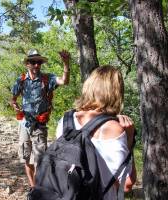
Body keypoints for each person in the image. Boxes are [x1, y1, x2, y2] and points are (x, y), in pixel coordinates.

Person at [56, 65, 136, 199]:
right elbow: (126, 184)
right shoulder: (113, 129)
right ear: (116, 92)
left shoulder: (66, 120)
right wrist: (129, 137)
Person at [11, 49, 71, 187]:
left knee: (40, 158)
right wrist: (15, 106)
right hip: (25, 122)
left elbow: (64, 81)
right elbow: (13, 99)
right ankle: (33, 187)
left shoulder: (47, 79)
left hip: (40, 124)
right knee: (27, 157)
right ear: (28, 64)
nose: (36, 65)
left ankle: (38, 187)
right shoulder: (21, 80)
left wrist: (66, 64)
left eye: (39, 62)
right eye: (33, 62)